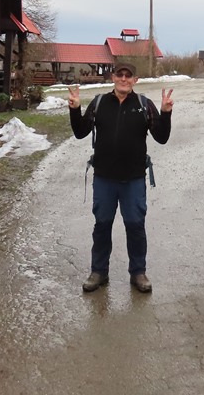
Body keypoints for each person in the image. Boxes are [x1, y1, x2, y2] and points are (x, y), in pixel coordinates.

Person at [68, 62, 174, 293]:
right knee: (102, 224)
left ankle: (138, 273)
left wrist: (166, 113)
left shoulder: (144, 104)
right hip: (104, 178)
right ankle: (99, 272)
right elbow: (80, 132)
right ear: (113, 78)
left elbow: (162, 137)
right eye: (120, 75)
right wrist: (75, 109)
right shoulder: (99, 103)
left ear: (135, 80)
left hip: (133, 179)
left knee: (135, 225)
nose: (124, 79)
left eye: (129, 75)